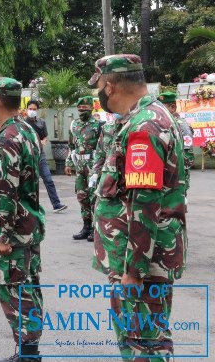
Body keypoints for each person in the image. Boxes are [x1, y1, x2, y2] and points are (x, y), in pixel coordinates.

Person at [89, 54, 187, 361]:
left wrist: (133, 269)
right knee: (148, 336)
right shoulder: (149, 115)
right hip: (144, 254)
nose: (98, 95)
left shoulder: (143, 127)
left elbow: (144, 203)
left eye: (99, 87)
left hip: (140, 260)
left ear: (110, 86)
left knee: (142, 342)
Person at [0, 77, 46, 362]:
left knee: (15, 293)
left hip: (14, 232)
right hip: (29, 226)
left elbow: (5, 191)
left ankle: (28, 355)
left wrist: (3, 236)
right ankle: (29, 352)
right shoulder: (27, 130)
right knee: (29, 288)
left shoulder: (7, 138)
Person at [64, 96, 102, 241]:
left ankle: (95, 228)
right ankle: (86, 227)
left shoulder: (98, 125)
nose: (81, 112)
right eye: (79, 109)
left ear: (91, 109)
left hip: (93, 167)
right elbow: (71, 145)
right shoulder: (74, 124)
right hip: (80, 167)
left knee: (94, 197)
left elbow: (102, 148)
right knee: (82, 197)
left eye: (84, 109)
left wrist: (98, 170)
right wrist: (68, 163)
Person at [24, 100, 68, 213]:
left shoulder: (41, 122)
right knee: (30, 183)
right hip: (28, 156)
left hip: (41, 156)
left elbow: (45, 136)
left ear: (37, 110)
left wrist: (43, 141)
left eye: (34, 109)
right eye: (30, 109)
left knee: (48, 180)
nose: (32, 111)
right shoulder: (23, 123)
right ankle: (30, 207)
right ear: (26, 109)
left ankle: (56, 204)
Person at [158, 92, 194, 191]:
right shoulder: (164, 123)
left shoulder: (182, 126)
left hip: (178, 176)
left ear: (172, 107)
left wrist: (180, 176)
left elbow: (188, 154)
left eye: (162, 108)